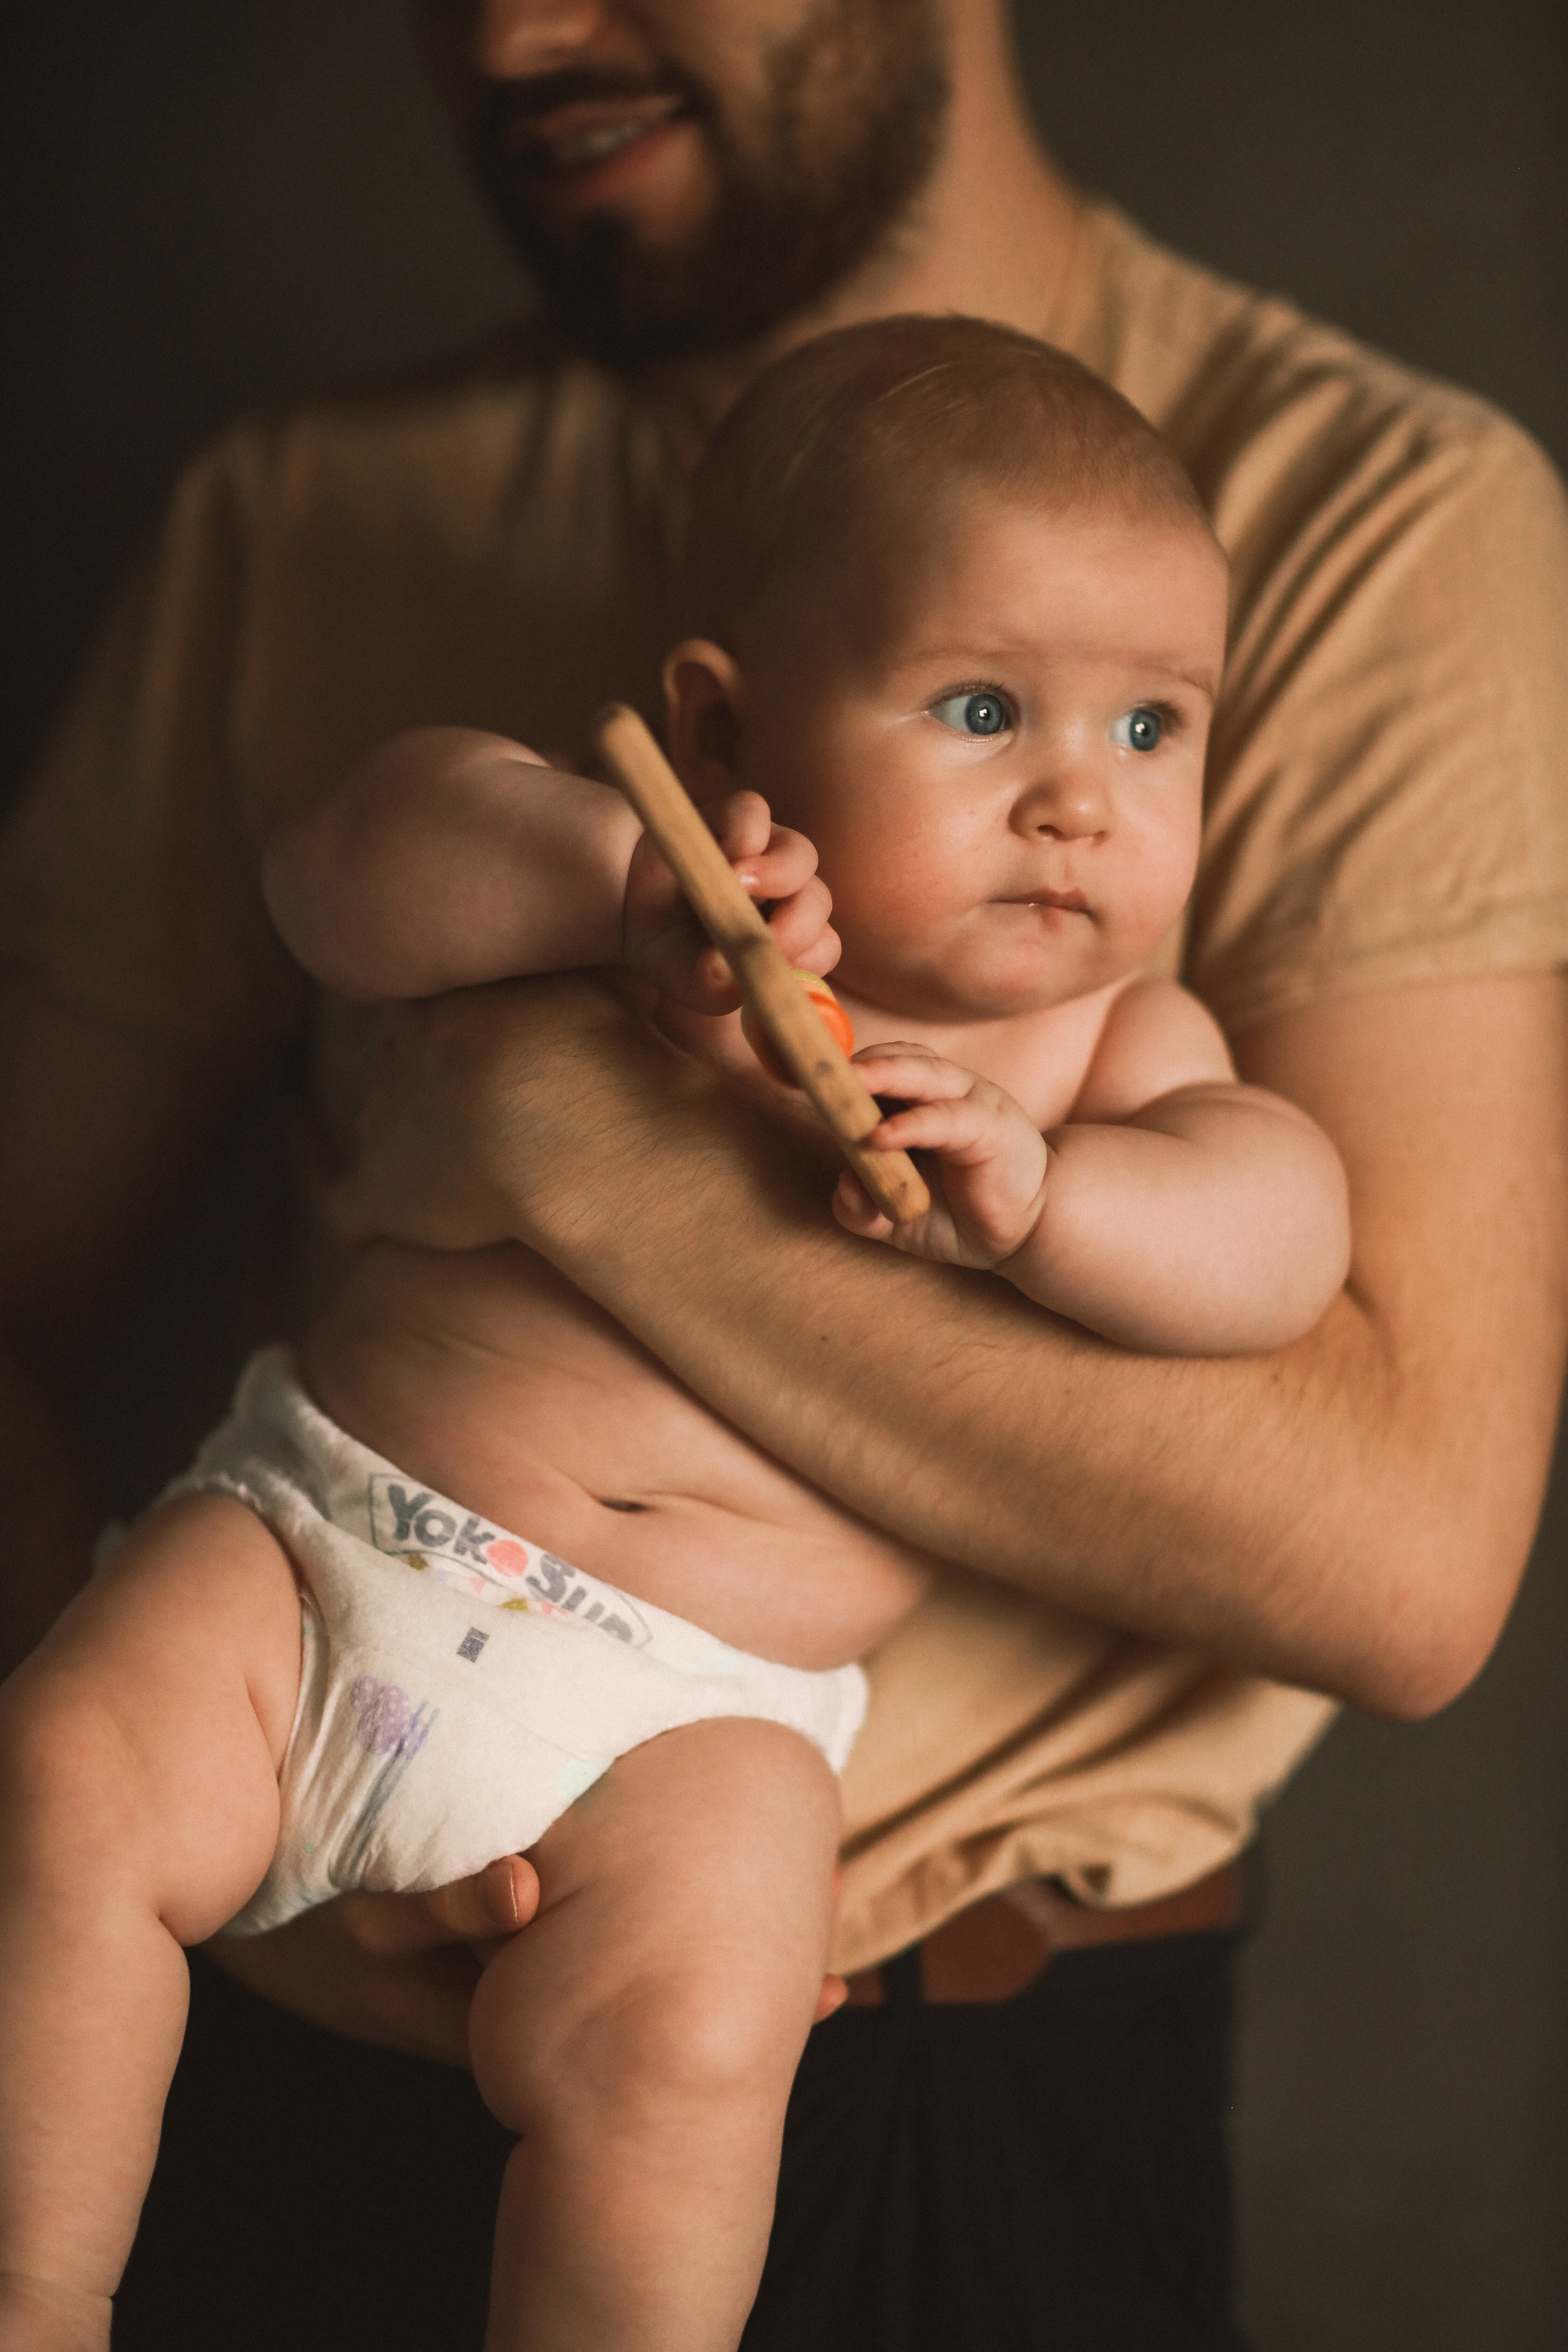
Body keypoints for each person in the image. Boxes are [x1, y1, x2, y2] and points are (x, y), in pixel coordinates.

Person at [0, 2, 1564, 2345]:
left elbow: (1304, 1291)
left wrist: (1028, 1195)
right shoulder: (586, 791)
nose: (1081, 800)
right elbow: (355, 865)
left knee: (696, 2029)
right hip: (317, 1584)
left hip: (794, 1860)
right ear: (723, 726)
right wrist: (595, 892)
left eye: (1157, 733)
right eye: (980, 715)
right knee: (60, 1774)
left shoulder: (1143, 985)